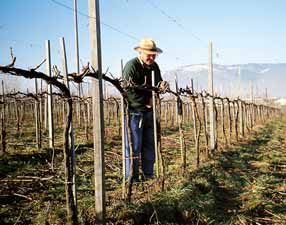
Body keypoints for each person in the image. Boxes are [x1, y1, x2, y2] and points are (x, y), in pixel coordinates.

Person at [123, 38, 169, 182]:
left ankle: (148, 174)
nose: (152, 57)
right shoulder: (132, 66)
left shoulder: (154, 66)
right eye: (149, 54)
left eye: (153, 54)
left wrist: (161, 85)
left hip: (150, 112)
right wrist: (146, 101)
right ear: (140, 52)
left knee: (150, 144)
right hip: (134, 112)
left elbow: (157, 83)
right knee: (134, 145)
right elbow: (128, 90)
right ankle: (132, 178)